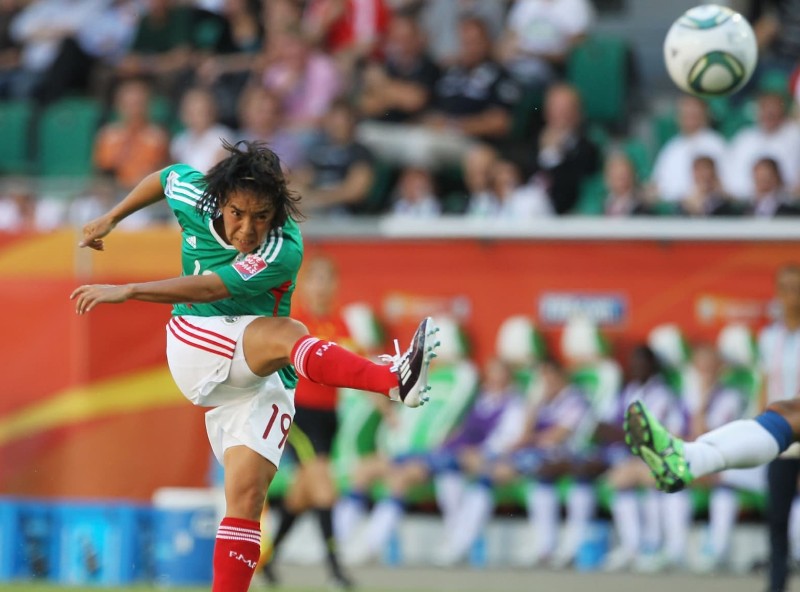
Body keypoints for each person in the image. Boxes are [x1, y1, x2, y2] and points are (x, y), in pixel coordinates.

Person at [70, 139, 440, 592]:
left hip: (262, 375)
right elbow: (165, 178)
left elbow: (214, 285)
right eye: (238, 214)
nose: (247, 229)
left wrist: (130, 290)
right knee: (289, 331)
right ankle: (393, 380)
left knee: (246, 499)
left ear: (276, 212)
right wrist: (112, 217)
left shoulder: (284, 246)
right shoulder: (194, 192)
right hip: (196, 341)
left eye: (261, 216)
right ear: (220, 201)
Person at [625, 264, 800, 592]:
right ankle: (688, 457)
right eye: (787, 287)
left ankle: (689, 458)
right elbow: (767, 385)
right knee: (777, 515)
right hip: (785, 440)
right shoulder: (770, 337)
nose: (793, 295)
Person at [261, 256, 356, 589]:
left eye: (328, 280)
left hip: (329, 418)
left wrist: (386, 403)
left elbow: (353, 369)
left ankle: (267, 562)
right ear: (306, 284)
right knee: (324, 487)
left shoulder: (341, 324)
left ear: (336, 285)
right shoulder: (295, 321)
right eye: (316, 279)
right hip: (299, 414)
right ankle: (335, 570)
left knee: (302, 495)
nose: (322, 287)